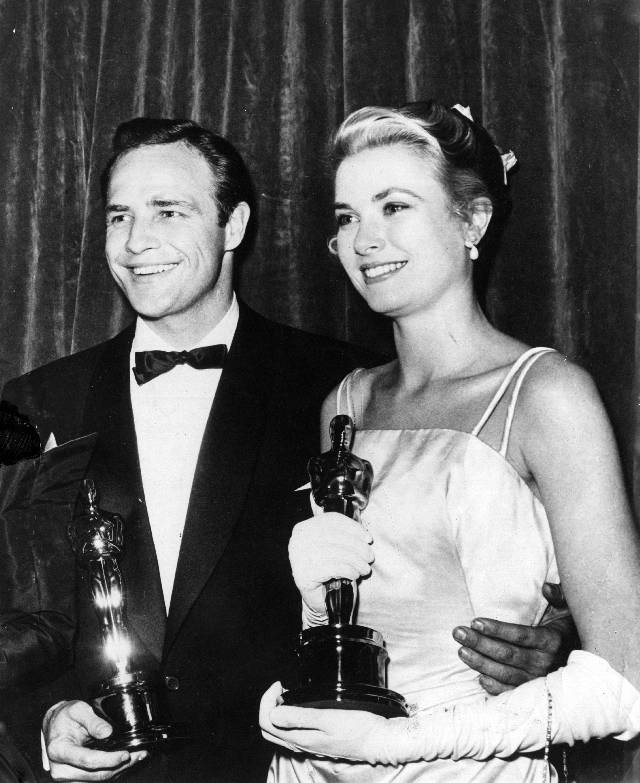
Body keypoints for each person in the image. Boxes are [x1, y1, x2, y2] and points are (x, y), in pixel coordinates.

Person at [3, 117, 569, 783]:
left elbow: (451, 563)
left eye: (168, 210)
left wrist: (547, 637)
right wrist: (43, 717)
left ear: (234, 225)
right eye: (119, 214)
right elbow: (14, 616)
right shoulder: (37, 402)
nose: (136, 241)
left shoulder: (343, 392)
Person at [259, 101, 640, 782]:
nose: (365, 239)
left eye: (394, 206)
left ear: (472, 220)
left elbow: (625, 683)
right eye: (347, 218)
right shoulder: (343, 404)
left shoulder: (546, 394)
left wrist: (399, 743)